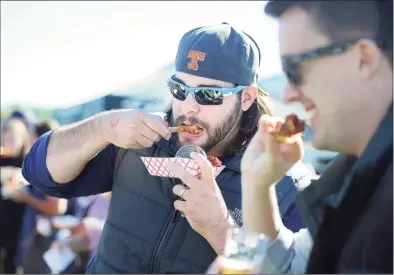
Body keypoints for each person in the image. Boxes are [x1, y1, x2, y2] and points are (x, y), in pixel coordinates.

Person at [22, 23, 312, 274]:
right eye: (179, 90)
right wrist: (102, 127)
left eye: (209, 94)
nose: (188, 107)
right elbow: (40, 174)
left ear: (246, 98)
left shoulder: (286, 183)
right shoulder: (139, 139)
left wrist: (219, 228)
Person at [209, 1, 392, 274]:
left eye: (295, 69)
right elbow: (295, 265)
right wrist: (258, 185)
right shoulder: (357, 177)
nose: (288, 95)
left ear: (364, 58)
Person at [7, 119, 67, 274]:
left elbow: (57, 207)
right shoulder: (44, 163)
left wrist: (25, 198)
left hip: (43, 242)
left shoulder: (53, 165)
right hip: (35, 241)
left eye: (31, 137)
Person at [0, 118, 31, 274]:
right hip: (2, 214)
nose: (8, 142)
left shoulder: (27, 161)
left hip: (19, 219)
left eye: (12, 138)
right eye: (5, 138)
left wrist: (20, 179)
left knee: (12, 262)